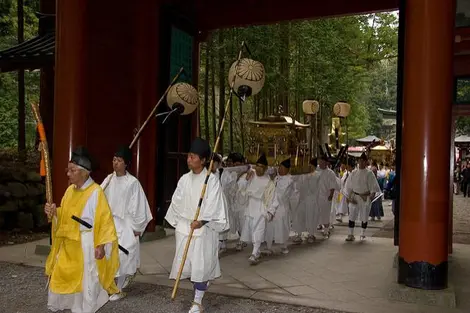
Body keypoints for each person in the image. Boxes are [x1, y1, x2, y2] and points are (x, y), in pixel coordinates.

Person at [44, 146, 119, 313]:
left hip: (87, 243)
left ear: (84, 172)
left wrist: (101, 245)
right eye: (68, 170)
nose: (68, 174)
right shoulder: (70, 190)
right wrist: (55, 211)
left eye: (72, 170)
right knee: (66, 273)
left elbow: (105, 221)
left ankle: (85, 309)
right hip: (69, 242)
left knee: (87, 278)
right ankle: (73, 306)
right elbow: (67, 214)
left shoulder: (96, 192)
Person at [165, 138, 228, 313]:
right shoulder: (184, 179)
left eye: (193, 157)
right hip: (186, 227)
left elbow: (214, 204)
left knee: (201, 265)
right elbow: (177, 201)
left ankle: (198, 301)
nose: (189, 159)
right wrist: (181, 219)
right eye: (189, 156)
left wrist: (201, 221)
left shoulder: (211, 180)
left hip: (203, 229)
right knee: (188, 264)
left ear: (203, 160)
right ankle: (198, 290)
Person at [101, 146, 153, 300]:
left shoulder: (132, 183)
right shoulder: (109, 179)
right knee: (109, 254)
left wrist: (137, 227)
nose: (115, 163)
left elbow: (138, 206)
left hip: (126, 224)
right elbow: (98, 196)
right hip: (110, 223)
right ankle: (111, 283)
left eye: (119, 160)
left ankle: (119, 287)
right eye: (114, 160)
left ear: (126, 164)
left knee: (122, 256)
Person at [238, 154, 278, 264]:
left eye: (261, 167)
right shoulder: (251, 175)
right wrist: (246, 179)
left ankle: (255, 253)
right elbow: (240, 187)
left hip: (261, 207)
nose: (259, 169)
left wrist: (271, 210)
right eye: (257, 166)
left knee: (258, 230)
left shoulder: (268, 181)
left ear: (265, 169)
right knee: (251, 229)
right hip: (250, 205)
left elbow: (272, 197)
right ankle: (257, 250)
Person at [264, 157, 299, 255]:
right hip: (272, 206)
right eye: (279, 167)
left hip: (282, 207)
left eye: (282, 168)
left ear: (287, 169)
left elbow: (281, 194)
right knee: (270, 226)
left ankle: (284, 246)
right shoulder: (276, 177)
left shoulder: (289, 180)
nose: (280, 169)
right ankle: (269, 246)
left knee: (282, 227)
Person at [344, 153, 381, 241]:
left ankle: (362, 233)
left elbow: (373, 186)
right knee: (352, 215)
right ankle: (350, 234)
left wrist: (372, 195)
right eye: (360, 161)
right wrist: (348, 197)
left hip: (365, 197)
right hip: (354, 196)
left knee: (364, 215)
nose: (361, 163)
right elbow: (348, 186)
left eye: (363, 161)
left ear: (366, 162)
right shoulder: (354, 172)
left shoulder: (369, 173)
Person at [316, 155, 340, 238]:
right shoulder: (316, 170)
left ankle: (326, 231)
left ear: (326, 163)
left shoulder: (330, 173)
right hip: (316, 196)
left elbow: (332, 185)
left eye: (323, 162)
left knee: (325, 214)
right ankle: (318, 227)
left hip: (326, 196)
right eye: (320, 162)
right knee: (317, 213)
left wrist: (331, 195)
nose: (321, 164)